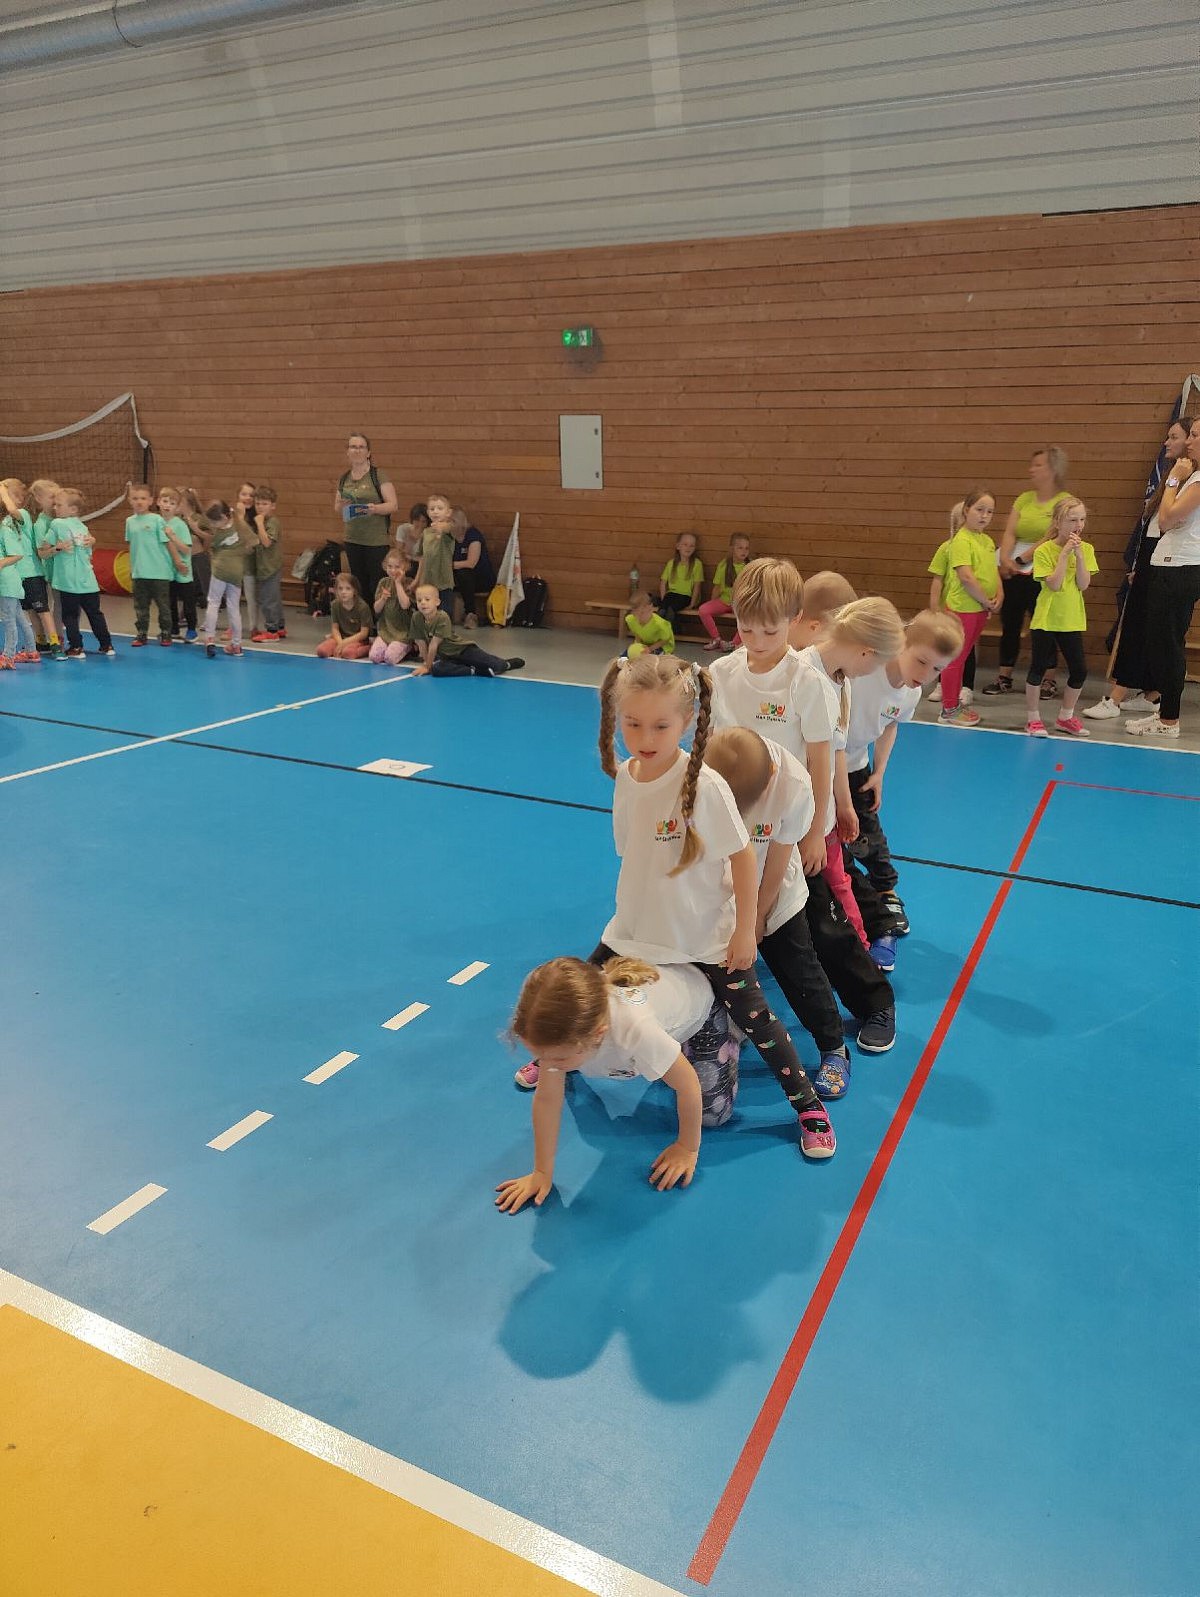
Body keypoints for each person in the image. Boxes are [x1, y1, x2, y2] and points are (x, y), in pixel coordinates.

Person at [594, 651, 836, 1159]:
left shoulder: (705, 785)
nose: (644, 738)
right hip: (639, 925)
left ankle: (808, 1106)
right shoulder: (628, 776)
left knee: (759, 1021)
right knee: (581, 989)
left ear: (686, 722)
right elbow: (633, 853)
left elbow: (743, 858)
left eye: (660, 726)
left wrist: (745, 930)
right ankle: (556, 1057)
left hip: (704, 933)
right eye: (632, 723)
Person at [711, 558, 897, 1056]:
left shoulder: (805, 681)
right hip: (736, 830)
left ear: (795, 620)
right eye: (745, 627)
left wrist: (816, 830)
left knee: (822, 924)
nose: (756, 640)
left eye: (769, 630)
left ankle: (875, 1002)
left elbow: (820, 759)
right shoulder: (721, 673)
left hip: (793, 829)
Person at [703, 727, 856, 1101]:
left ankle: (834, 1048)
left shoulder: (794, 785)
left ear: (769, 778)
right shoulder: (704, 770)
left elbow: (778, 859)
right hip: (719, 889)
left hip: (773, 890)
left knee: (800, 970)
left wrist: (756, 917)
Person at [496, 956, 710, 1213]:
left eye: (558, 1058)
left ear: (597, 1035)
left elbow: (688, 1086)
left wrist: (687, 1147)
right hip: (649, 1008)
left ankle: (731, 1030)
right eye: (540, 1056)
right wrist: (541, 1172)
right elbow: (547, 1100)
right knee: (565, 1062)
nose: (547, 1065)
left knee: (713, 1112)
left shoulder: (637, 1030)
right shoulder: (574, 1034)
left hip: (698, 1010)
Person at [842, 610, 966, 964]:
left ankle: (886, 891)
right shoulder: (867, 672)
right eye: (921, 661)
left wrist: (880, 771)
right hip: (824, 764)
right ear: (902, 644)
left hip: (857, 767)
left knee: (870, 836)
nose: (925, 675)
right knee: (836, 842)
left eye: (938, 669)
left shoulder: (910, 693)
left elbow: (890, 724)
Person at [798, 597, 908, 954]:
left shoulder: (842, 682)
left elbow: (837, 749)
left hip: (821, 813)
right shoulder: (802, 674)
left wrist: (844, 806)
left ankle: (859, 947)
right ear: (866, 652)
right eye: (878, 663)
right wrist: (814, 826)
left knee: (838, 880)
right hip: (797, 814)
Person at [1086, 417, 1193, 720]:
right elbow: (1155, 522)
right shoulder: (1174, 475)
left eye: (1175, 437)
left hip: (1173, 561)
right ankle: (1152, 694)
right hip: (1153, 555)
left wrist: (1174, 481)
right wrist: (1140, 564)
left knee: (1145, 628)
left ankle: (1117, 697)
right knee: (1143, 625)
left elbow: (1171, 520)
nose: (1167, 442)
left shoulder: (1187, 479)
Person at [1127, 418, 1200, 740]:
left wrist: (1172, 480)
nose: (1189, 441)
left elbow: (1168, 519)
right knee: (1161, 643)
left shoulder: (1195, 479)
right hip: (1170, 566)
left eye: (1195, 435)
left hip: (1180, 569)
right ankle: (1165, 714)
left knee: (1168, 645)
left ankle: (1169, 720)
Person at [986, 447, 1072, 697]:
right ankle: (1004, 675)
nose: (1032, 469)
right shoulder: (1024, 499)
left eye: (1038, 465)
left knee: (1042, 625)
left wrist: (1023, 559)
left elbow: (1053, 535)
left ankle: (1047, 679)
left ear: (1053, 469)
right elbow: (1010, 532)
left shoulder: (1064, 501)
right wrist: (1005, 559)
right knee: (1010, 622)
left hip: (1043, 570)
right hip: (1015, 570)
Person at [1024, 498, 1098, 738]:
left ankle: (1065, 717)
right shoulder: (1044, 550)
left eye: (1082, 519)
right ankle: (1033, 719)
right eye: (1072, 520)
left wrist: (1079, 556)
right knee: (1038, 668)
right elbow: (1054, 585)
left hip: (1071, 619)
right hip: (1046, 619)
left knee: (1079, 670)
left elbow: (1083, 584)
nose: (1079, 525)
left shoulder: (1086, 549)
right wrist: (1064, 555)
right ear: (1057, 522)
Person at [937, 488, 1001, 727]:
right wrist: (985, 600)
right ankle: (948, 709)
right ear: (966, 510)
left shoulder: (987, 541)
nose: (984, 515)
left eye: (990, 512)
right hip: (963, 608)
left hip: (979, 609)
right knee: (955, 659)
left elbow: (993, 572)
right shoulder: (961, 541)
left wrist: (999, 595)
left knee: (963, 657)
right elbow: (966, 577)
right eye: (979, 509)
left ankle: (953, 703)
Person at [49, 488, 114, 657]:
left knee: (70, 615)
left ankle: (76, 647)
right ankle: (107, 645)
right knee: (95, 614)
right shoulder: (83, 527)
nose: (55, 508)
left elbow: (44, 548)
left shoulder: (57, 524)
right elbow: (89, 553)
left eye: (59, 505)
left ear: (73, 509)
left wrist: (55, 548)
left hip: (69, 581)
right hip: (88, 581)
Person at [408, 584, 524, 677]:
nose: (423, 603)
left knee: (496, 666)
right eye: (419, 600)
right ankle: (473, 670)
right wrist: (426, 664)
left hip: (462, 650)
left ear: (437, 602)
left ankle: (507, 663)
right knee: (437, 669)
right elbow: (421, 643)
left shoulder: (442, 617)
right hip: (447, 657)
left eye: (427, 599)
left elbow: (434, 645)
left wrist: (427, 667)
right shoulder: (416, 617)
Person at [334, 434, 397, 600]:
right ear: (347, 452)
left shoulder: (378, 475)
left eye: (361, 447)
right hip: (352, 538)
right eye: (353, 447)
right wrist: (343, 505)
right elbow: (337, 507)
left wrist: (374, 509)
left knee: (377, 584)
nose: (357, 450)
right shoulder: (344, 478)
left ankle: (378, 615)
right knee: (358, 584)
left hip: (375, 541)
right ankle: (364, 616)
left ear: (368, 452)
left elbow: (393, 505)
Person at [0, 478, 58, 655]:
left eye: (7, 496)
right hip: (19, 575)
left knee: (42, 610)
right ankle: (40, 642)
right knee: (30, 610)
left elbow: (11, 508)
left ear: (18, 498)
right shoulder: (6, 521)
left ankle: (55, 643)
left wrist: (2, 489)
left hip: (32, 572)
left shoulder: (22, 514)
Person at [126, 482, 181, 647]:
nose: (139, 502)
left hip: (159, 572)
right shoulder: (130, 521)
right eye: (135, 498)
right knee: (140, 606)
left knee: (163, 605)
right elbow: (132, 545)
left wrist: (177, 561)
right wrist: (132, 567)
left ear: (151, 501)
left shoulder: (157, 520)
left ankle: (166, 633)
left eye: (143, 498)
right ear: (130, 500)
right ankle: (142, 633)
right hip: (139, 573)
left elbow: (167, 542)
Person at [202, 500, 254, 659]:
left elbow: (212, 548)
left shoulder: (219, 534)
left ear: (224, 517)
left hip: (220, 570)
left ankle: (209, 639)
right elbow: (253, 542)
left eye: (214, 522)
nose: (213, 525)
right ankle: (236, 645)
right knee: (233, 607)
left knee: (213, 602)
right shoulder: (240, 526)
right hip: (236, 571)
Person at [926, 538, 976, 704]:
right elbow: (937, 579)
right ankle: (942, 684)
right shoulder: (946, 548)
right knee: (944, 648)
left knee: (967, 648)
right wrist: (935, 608)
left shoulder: (977, 547)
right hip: (947, 608)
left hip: (968, 607)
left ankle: (967, 687)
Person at [0, 482, 39, 667]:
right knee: (19, 616)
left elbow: (16, 554)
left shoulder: (14, 520)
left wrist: (2, 489)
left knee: (9, 619)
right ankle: (31, 650)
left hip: (12, 577)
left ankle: (8, 656)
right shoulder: (6, 522)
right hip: (12, 576)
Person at [698, 533, 750, 651]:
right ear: (732, 549)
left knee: (748, 617)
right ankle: (716, 639)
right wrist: (712, 602)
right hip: (724, 601)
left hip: (741, 603)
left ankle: (733, 643)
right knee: (703, 610)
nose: (744, 551)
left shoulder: (749, 566)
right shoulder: (724, 565)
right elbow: (717, 588)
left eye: (746, 548)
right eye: (740, 548)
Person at [28, 479, 64, 649]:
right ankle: (55, 638)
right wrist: (57, 548)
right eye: (51, 497)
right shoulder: (41, 524)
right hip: (51, 573)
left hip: (65, 571)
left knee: (66, 606)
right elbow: (41, 552)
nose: (55, 501)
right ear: (39, 499)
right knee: (55, 606)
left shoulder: (62, 519)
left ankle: (58, 637)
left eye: (57, 497)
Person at [157, 486, 196, 642]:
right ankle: (173, 628)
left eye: (172, 503)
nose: (168, 505)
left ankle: (192, 629)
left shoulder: (179, 525)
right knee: (169, 602)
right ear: (159, 502)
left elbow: (186, 550)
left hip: (182, 570)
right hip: (166, 570)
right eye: (165, 501)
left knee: (188, 602)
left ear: (177, 507)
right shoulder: (157, 522)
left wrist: (172, 536)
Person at [248, 485, 287, 642]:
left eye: (264, 504)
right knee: (273, 598)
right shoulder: (264, 520)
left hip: (271, 567)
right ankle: (280, 627)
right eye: (257, 503)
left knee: (267, 600)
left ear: (273, 505)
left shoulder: (272, 522)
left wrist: (259, 524)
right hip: (264, 567)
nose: (260, 507)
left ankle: (272, 630)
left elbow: (266, 542)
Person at [451, 508, 495, 627]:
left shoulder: (473, 535)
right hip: (459, 577)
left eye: (451, 522)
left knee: (464, 573)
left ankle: (471, 614)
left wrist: (449, 565)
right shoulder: (449, 538)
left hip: (481, 578)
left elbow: (471, 563)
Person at [370, 551, 415, 665]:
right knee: (374, 657)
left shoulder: (409, 583)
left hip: (403, 634)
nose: (393, 570)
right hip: (385, 631)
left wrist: (398, 583)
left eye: (397, 567)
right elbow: (376, 609)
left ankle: (409, 647)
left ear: (405, 567)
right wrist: (382, 599)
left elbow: (405, 605)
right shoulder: (383, 582)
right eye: (390, 566)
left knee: (390, 658)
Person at [415, 493, 457, 614]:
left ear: (448, 512)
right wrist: (417, 580)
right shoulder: (426, 532)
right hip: (427, 581)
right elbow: (422, 558)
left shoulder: (449, 529)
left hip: (443, 582)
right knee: (427, 613)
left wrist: (442, 527)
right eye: (432, 509)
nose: (436, 511)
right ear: (428, 512)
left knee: (444, 614)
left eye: (440, 508)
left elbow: (450, 528)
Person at [316, 573, 372, 659]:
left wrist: (344, 643)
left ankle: (368, 648)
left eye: (348, 588)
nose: (343, 592)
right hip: (341, 638)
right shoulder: (335, 605)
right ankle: (340, 647)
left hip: (358, 640)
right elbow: (335, 628)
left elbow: (364, 633)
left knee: (348, 653)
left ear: (354, 591)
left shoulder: (363, 607)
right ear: (336, 590)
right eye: (340, 588)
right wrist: (340, 643)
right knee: (321, 651)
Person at [657, 532, 704, 624]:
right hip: (671, 594)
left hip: (685, 596)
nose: (688, 548)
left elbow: (697, 586)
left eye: (692, 546)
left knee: (671, 608)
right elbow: (663, 583)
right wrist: (663, 598)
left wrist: (692, 604)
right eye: (685, 544)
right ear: (678, 546)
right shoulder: (671, 563)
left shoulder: (697, 564)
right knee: (664, 606)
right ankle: (660, 621)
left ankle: (669, 627)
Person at [624, 590, 675, 658]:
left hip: (661, 646)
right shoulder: (631, 620)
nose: (639, 617)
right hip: (645, 643)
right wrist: (638, 646)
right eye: (635, 613)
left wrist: (650, 648)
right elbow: (637, 634)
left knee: (650, 658)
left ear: (650, 608)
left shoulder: (659, 624)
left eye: (642, 613)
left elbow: (665, 640)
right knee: (626, 655)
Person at [395, 502, 429, 582]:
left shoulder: (429, 535)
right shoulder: (403, 529)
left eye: (423, 521)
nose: (420, 524)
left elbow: (425, 558)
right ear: (412, 519)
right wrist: (413, 558)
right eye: (417, 520)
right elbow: (399, 551)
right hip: (405, 562)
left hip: (422, 566)